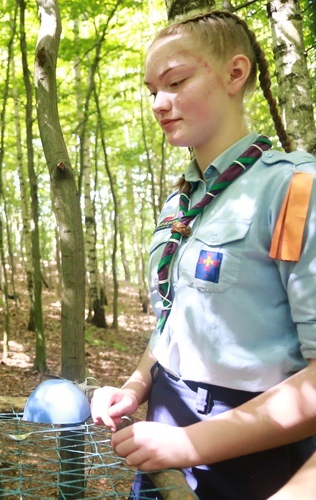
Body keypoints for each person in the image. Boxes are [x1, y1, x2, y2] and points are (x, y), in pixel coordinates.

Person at [89, 10, 316, 500]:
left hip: (254, 462)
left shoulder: (295, 189)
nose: (158, 103)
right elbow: (176, 322)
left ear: (236, 73)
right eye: (152, 90)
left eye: (176, 81)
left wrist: (189, 443)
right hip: (163, 443)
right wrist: (134, 389)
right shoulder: (182, 202)